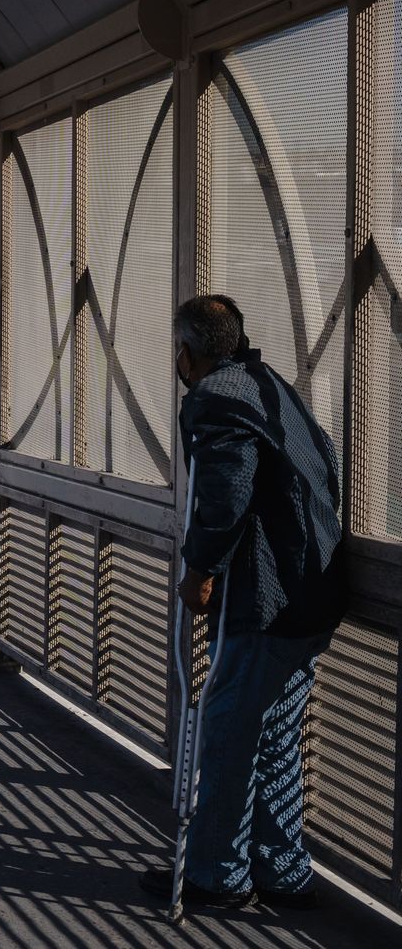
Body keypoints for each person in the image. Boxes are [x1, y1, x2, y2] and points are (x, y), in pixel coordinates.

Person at [139, 295, 347, 911]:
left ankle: (217, 875)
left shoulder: (216, 399)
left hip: (267, 601)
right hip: (314, 593)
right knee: (276, 732)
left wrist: (200, 571)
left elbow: (225, 494)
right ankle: (281, 869)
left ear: (187, 353)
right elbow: (327, 459)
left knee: (228, 732)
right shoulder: (270, 383)